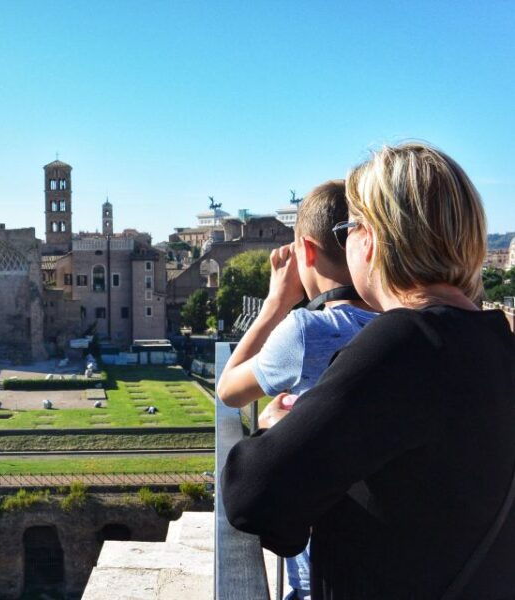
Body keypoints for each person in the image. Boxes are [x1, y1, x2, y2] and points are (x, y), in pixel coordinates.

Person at [222, 143, 515, 600]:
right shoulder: (497, 339)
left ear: (374, 238)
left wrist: (284, 427)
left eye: (351, 227)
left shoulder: (403, 344)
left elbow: (254, 495)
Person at [217, 180, 377, 599]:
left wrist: (275, 303)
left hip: (317, 576)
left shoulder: (309, 331)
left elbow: (229, 390)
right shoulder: (397, 325)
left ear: (306, 250)